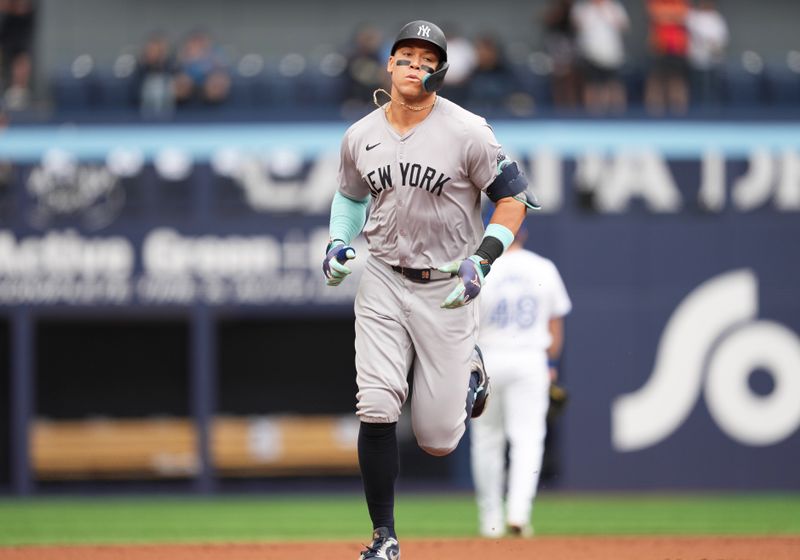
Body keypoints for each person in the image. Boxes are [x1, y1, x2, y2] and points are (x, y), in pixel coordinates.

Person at [321, 19, 538, 560]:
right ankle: (384, 536)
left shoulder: (468, 130)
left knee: (438, 439)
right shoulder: (361, 134)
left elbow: (513, 199)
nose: (415, 64)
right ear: (389, 65)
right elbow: (349, 197)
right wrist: (338, 241)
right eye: (406, 55)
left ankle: (470, 366)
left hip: (447, 287)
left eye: (427, 57)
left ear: (440, 70)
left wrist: (482, 262)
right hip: (384, 279)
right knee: (374, 404)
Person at [470, 223, 572, 538]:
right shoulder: (543, 267)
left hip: (489, 358)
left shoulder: (478, 269)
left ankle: (491, 519)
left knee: (487, 440)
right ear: (523, 234)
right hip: (530, 359)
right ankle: (519, 512)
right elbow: (555, 325)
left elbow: (464, 323)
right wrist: (551, 362)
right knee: (527, 439)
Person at [571, 0, 630, 115]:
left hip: (611, 53)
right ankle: (593, 115)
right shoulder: (582, 8)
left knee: (613, 84)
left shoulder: (614, 6)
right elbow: (577, 26)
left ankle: (617, 114)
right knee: (592, 85)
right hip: (590, 53)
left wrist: (605, 12)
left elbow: (624, 26)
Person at [644, 0, 691, 115]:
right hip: (659, 46)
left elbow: (683, 16)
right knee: (656, 81)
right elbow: (655, 15)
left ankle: (679, 114)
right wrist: (671, 17)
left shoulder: (680, 2)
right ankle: (654, 114)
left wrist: (666, 17)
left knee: (677, 81)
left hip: (677, 47)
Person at [685, 0, 728, 107]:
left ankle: (713, 107)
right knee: (697, 85)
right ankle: (696, 107)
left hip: (714, 58)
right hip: (696, 58)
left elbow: (722, 38)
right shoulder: (694, 16)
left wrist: (714, 47)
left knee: (713, 85)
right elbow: (690, 27)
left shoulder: (716, 18)